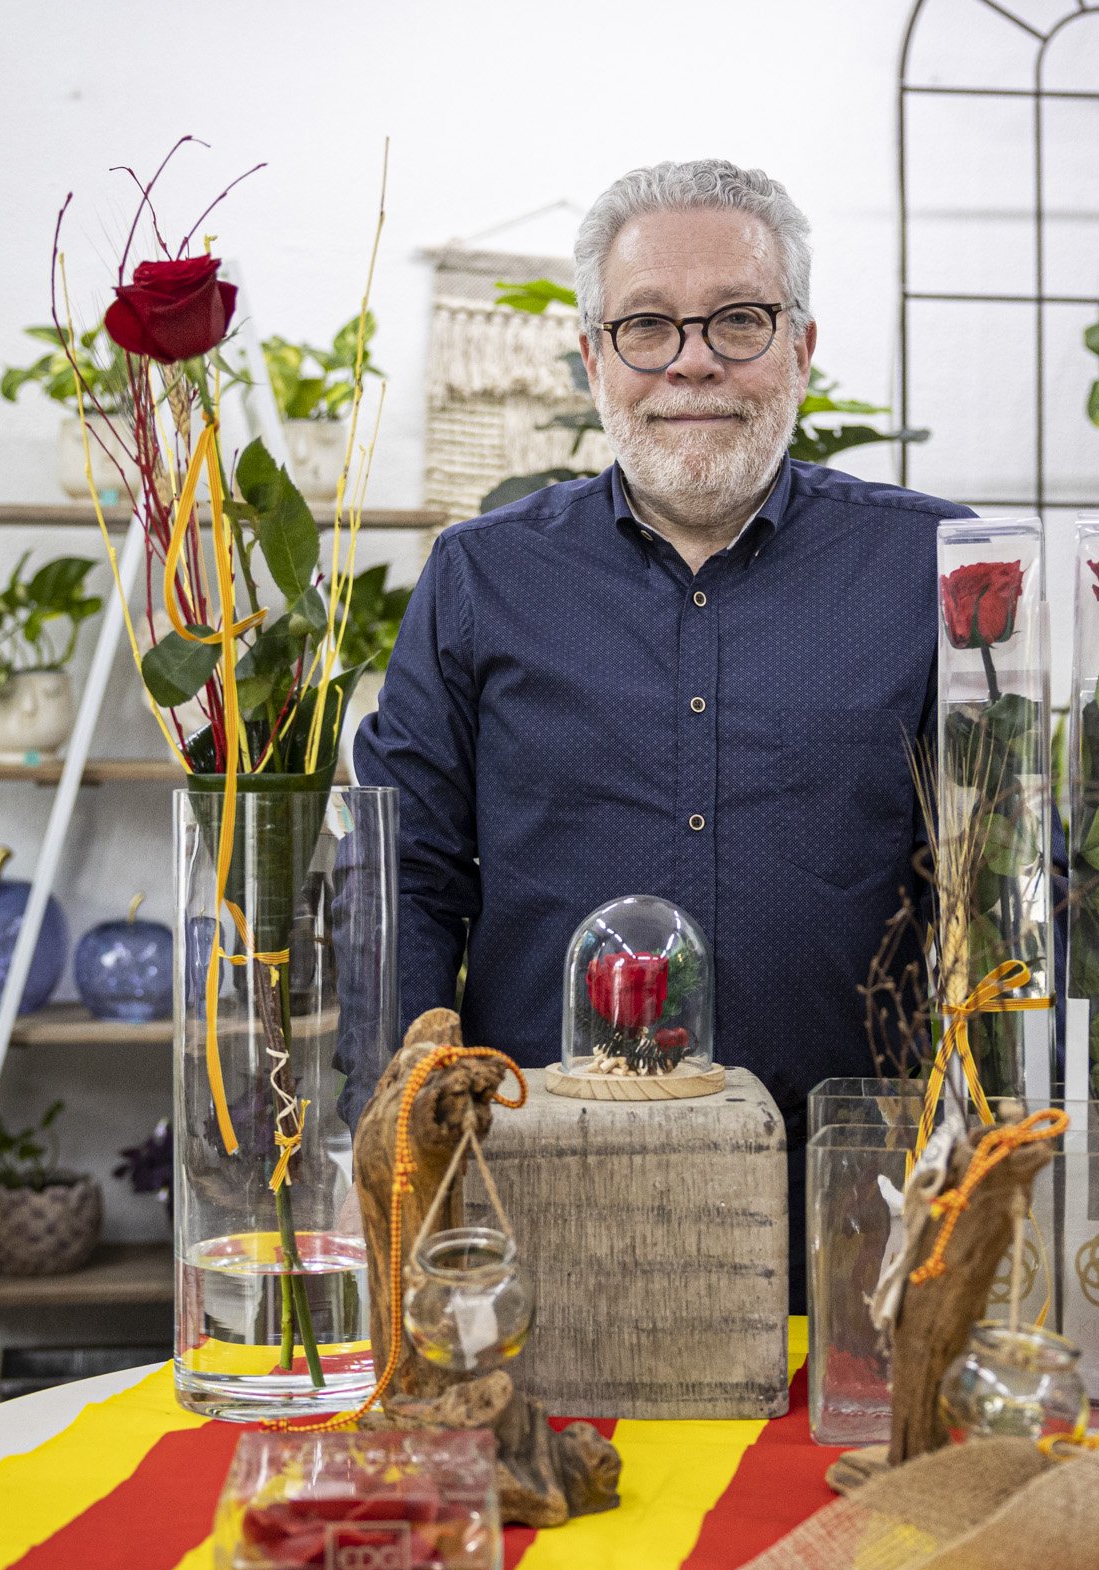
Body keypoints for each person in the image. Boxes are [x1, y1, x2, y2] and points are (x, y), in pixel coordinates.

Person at [355, 159, 970, 1293]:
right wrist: (411, 1138)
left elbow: (1010, 875)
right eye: (646, 325)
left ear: (801, 344)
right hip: (529, 1202)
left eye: (737, 319)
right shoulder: (478, 578)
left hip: (850, 1225)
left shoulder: (938, 570)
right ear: (594, 357)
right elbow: (403, 879)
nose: (692, 359)